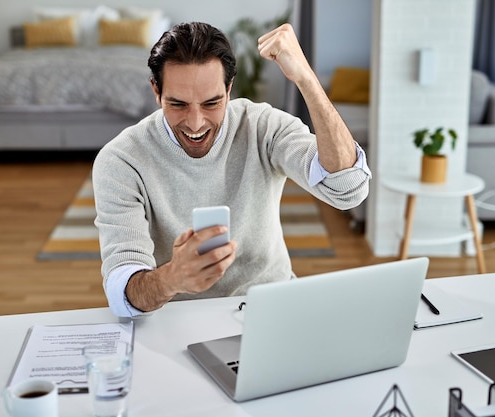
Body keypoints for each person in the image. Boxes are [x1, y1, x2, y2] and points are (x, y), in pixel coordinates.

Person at [92, 21, 372, 317]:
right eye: (178, 104)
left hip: (272, 306)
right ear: (156, 91)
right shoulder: (121, 160)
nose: (196, 123)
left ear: (229, 89)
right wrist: (171, 278)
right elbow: (122, 292)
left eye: (212, 103)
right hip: (175, 320)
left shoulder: (263, 126)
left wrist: (306, 79)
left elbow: (348, 189)